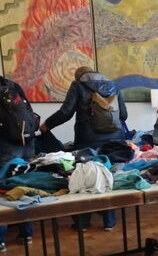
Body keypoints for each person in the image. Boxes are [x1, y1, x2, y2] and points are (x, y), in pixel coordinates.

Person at [40, 67, 128, 231]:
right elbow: (123, 115)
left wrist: (47, 125)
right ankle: (109, 221)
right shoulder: (113, 85)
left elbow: (65, 112)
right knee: (108, 174)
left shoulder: (78, 85)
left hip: (88, 139)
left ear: (78, 76)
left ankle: (83, 223)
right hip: (115, 139)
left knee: (84, 175)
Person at [0, 76, 35, 253]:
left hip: (6, 143)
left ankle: (1, 240)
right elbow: (29, 111)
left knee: (3, 188)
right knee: (24, 185)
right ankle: (27, 234)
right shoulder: (12, 85)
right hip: (27, 141)